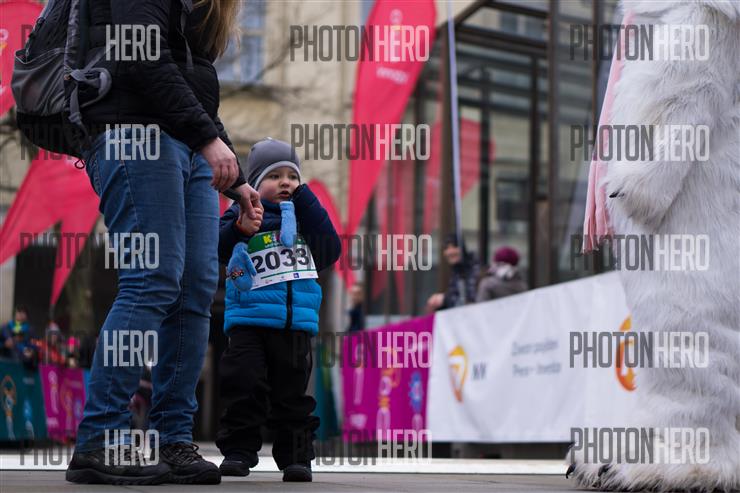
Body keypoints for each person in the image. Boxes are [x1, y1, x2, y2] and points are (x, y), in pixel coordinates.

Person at [66, 0, 261, 486]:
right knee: (152, 277)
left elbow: (193, 92)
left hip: (188, 146)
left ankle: (173, 438)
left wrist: (235, 175)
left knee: (195, 288)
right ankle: (100, 439)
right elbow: (142, 55)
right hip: (133, 133)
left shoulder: (197, 10)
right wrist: (207, 140)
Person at [215, 138, 341, 482]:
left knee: (293, 395)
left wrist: (306, 199)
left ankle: (297, 458)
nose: (286, 182)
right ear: (255, 183)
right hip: (248, 322)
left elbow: (330, 250)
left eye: (292, 176)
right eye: (275, 176)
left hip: (294, 324)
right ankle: (239, 452)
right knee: (243, 384)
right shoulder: (242, 212)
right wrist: (239, 227)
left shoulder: (305, 217)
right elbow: (218, 248)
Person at [426, 235, 481, 312]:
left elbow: (470, 299)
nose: (450, 251)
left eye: (454, 246)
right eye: (446, 248)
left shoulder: (473, 267)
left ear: (462, 249)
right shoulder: (456, 270)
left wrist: (444, 299)